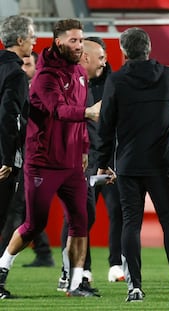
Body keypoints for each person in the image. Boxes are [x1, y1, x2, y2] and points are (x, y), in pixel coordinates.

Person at [95, 27, 169, 303]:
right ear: (148, 48)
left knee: (131, 224)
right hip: (162, 162)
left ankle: (134, 287)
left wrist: (102, 163)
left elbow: (106, 124)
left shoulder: (116, 80)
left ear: (124, 52)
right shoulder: (168, 75)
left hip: (128, 162)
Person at [0, 18, 101, 299]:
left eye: (81, 40)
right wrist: (90, 113)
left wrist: (83, 149)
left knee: (81, 221)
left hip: (71, 164)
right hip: (43, 161)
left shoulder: (80, 73)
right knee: (34, 224)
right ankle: (2, 268)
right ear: (58, 42)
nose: (79, 45)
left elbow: (77, 119)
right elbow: (60, 110)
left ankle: (76, 283)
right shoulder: (44, 77)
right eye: (73, 40)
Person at [57, 37, 108, 293]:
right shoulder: (68, 83)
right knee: (76, 219)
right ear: (86, 57)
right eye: (100, 57)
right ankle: (71, 277)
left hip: (86, 160)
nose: (103, 62)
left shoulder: (80, 83)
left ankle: (73, 277)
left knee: (82, 218)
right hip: (72, 162)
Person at [0, 51, 55, 268]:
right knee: (23, 211)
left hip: (33, 158)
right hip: (21, 155)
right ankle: (43, 252)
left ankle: (4, 263)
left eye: (29, 64)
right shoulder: (18, 88)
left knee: (19, 210)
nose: (26, 68)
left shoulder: (40, 92)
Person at [0, 15, 36, 299]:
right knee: (5, 220)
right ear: (20, 40)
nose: (35, 41)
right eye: (32, 36)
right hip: (4, 160)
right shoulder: (15, 74)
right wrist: (8, 158)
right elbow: (10, 118)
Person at [86, 37, 124, 283]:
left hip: (111, 160)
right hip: (84, 161)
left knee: (117, 211)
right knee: (79, 216)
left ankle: (116, 264)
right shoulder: (71, 84)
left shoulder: (116, 83)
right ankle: (82, 268)